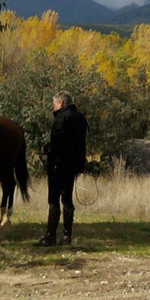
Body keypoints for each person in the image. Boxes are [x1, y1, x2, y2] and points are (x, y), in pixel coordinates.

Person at [37, 90, 89, 246]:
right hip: (73, 164)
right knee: (67, 199)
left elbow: (59, 143)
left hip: (57, 164)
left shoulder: (62, 118)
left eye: (54, 104)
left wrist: (46, 149)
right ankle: (67, 236)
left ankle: (50, 235)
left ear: (61, 103)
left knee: (54, 199)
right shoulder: (80, 118)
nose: (53, 107)